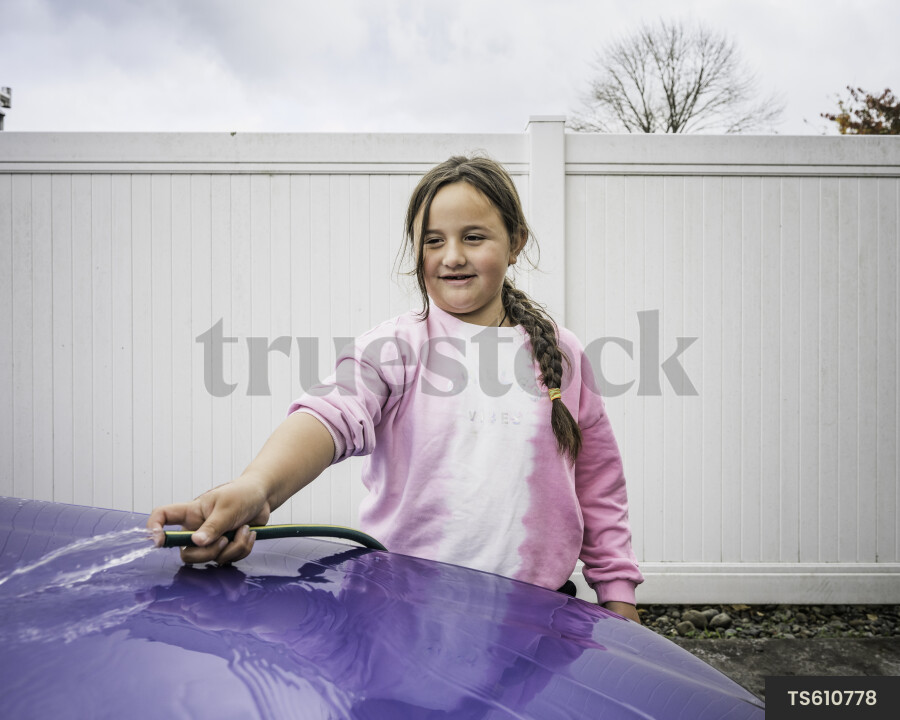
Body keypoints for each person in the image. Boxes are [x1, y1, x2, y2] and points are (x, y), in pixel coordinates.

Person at [148, 156, 643, 622]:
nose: (452, 257)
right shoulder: (395, 347)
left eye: (473, 237)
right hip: (407, 613)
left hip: (538, 620)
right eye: (432, 241)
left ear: (515, 242)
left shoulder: (562, 352)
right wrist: (256, 486)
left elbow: (598, 485)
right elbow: (328, 415)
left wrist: (618, 596)